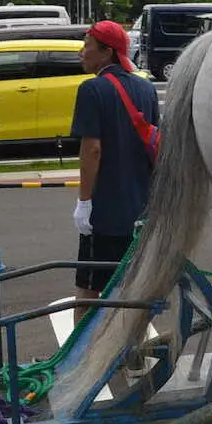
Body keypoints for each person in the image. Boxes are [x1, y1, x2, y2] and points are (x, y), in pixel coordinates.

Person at [70, 20, 159, 323]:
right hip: (141, 211)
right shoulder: (146, 89)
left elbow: (92, 150)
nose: (82, 52)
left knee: (88, 292)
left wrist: (84, 202)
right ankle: (133, 351)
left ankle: (80, 361)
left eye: (87, 46)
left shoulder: (92, 90)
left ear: (106, 52)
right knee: (133, 290)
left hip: (105, 213)